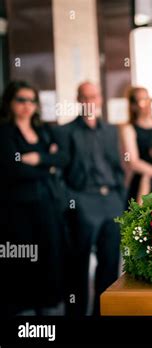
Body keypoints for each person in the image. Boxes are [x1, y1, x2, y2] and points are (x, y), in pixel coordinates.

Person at [0, 81, 67, 315]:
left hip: (47, 204)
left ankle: (46, 309)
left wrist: (37, 159)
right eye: (21, 100)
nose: (27, 105)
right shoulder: (5, 132)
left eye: (31, 100)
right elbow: (13, 168)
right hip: (18, 209)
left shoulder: (43, 131)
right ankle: (24, 312)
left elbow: (62, 159)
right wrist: (46, 164)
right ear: (9, 103)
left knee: (49, 259)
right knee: (23, 259)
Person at [58, 81, 125, 316]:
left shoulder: (110, 130)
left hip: (110, 202)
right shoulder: (65, 131)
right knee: (77, 266)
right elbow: (60, 172)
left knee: (109, 266)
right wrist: (70, 200)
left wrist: (120, 198)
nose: (90, 101)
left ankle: (102, 313)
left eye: (94, 96)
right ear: (78, 100)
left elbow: (117, 167)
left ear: (100, 99)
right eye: (85, 97)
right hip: (82, 201)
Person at [120, 87, 152, 203]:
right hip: (143, 181)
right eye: (142, 101)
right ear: (133, 106)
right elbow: (133, 162)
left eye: (149, 100)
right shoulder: (129, 129)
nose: (147, 104)